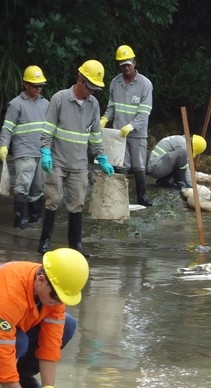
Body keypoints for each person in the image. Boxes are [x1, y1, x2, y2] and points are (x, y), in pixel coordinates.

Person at [38, 60, 115, 257]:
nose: (91, 92)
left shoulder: (94, 105)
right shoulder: (60, 99)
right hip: (56, 160)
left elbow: (95, 135)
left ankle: (76, 246)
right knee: (53, 199)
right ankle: (45, 242)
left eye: (94, 89)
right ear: (79, 80)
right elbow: (48, 130)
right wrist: (45, 151)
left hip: (79, 164)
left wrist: (102, 157)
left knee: (77, 202)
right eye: (89, 87)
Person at [0, 248, 89, 388]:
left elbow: (51, 342)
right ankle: (10, 385)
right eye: (56, 297)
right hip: (3, 328)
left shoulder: (55, 286)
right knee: (18, 342)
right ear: (41, 280)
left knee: (67, 324)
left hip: (11, 326)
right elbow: (2, 349)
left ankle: (22, 376)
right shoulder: (8, 293)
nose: (58, 303)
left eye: (62, 298)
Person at [100, 45, 154, 206]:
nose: (125, 67)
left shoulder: (145, 84)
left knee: (138, 166)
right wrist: (104, 118)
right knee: (121, 165)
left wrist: (132, 126)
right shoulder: (115, 83)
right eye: (122, 64)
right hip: (118, 133)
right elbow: (112, 107)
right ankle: (120, 198)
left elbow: (145, 111)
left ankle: (141, 197)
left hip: (137, 133)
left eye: (128, 64)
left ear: (134, 62)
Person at [0, 66, 49, 229]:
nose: (38, 89)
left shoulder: (46, 104)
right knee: (23, 185)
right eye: (35, 85)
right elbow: (7, 128)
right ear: (26, 84)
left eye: (40, 86)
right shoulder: (16, 104)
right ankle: (19, 220)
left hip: (41, 152)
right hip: (24, 152)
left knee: (38, 188)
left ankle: (35, 218)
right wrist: (3, 146)